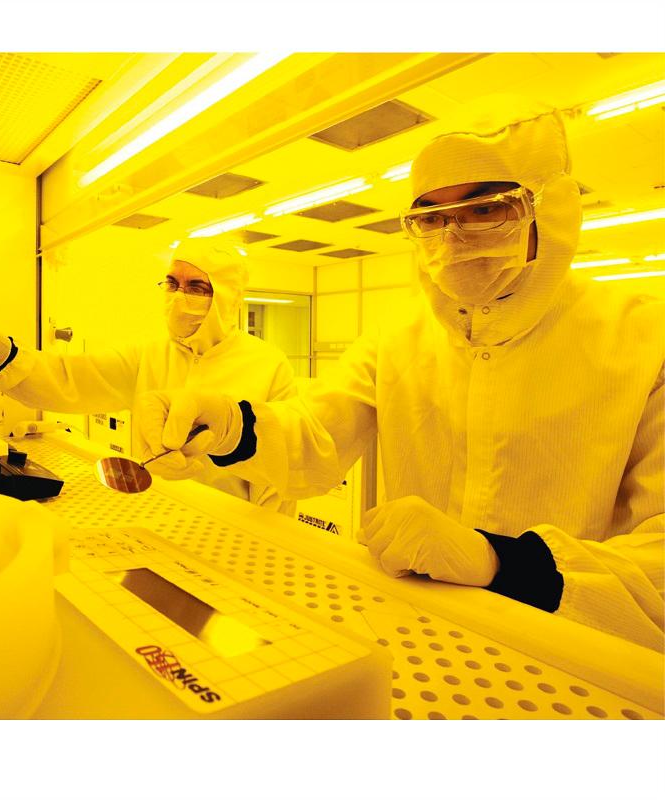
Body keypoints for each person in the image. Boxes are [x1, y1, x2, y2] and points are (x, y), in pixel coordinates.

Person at [132, 98, 665, 650]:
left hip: (578, 651)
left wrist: (503, 563)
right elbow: (315, 442)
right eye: (431, 219)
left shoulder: (646, 341)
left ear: (548, 212)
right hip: (418, 626)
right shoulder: (397, 335)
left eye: (485, 210)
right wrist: (229, 426)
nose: (452, 238)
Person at [0, 240, 297, 513]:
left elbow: (285, 472)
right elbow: (68, 379)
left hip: (234, 521)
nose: (179, 296)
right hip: (157, 511)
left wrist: (270, 542)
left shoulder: (268, 364)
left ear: (228, 297)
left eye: (197, 287)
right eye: (172, 283)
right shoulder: (148, 354)